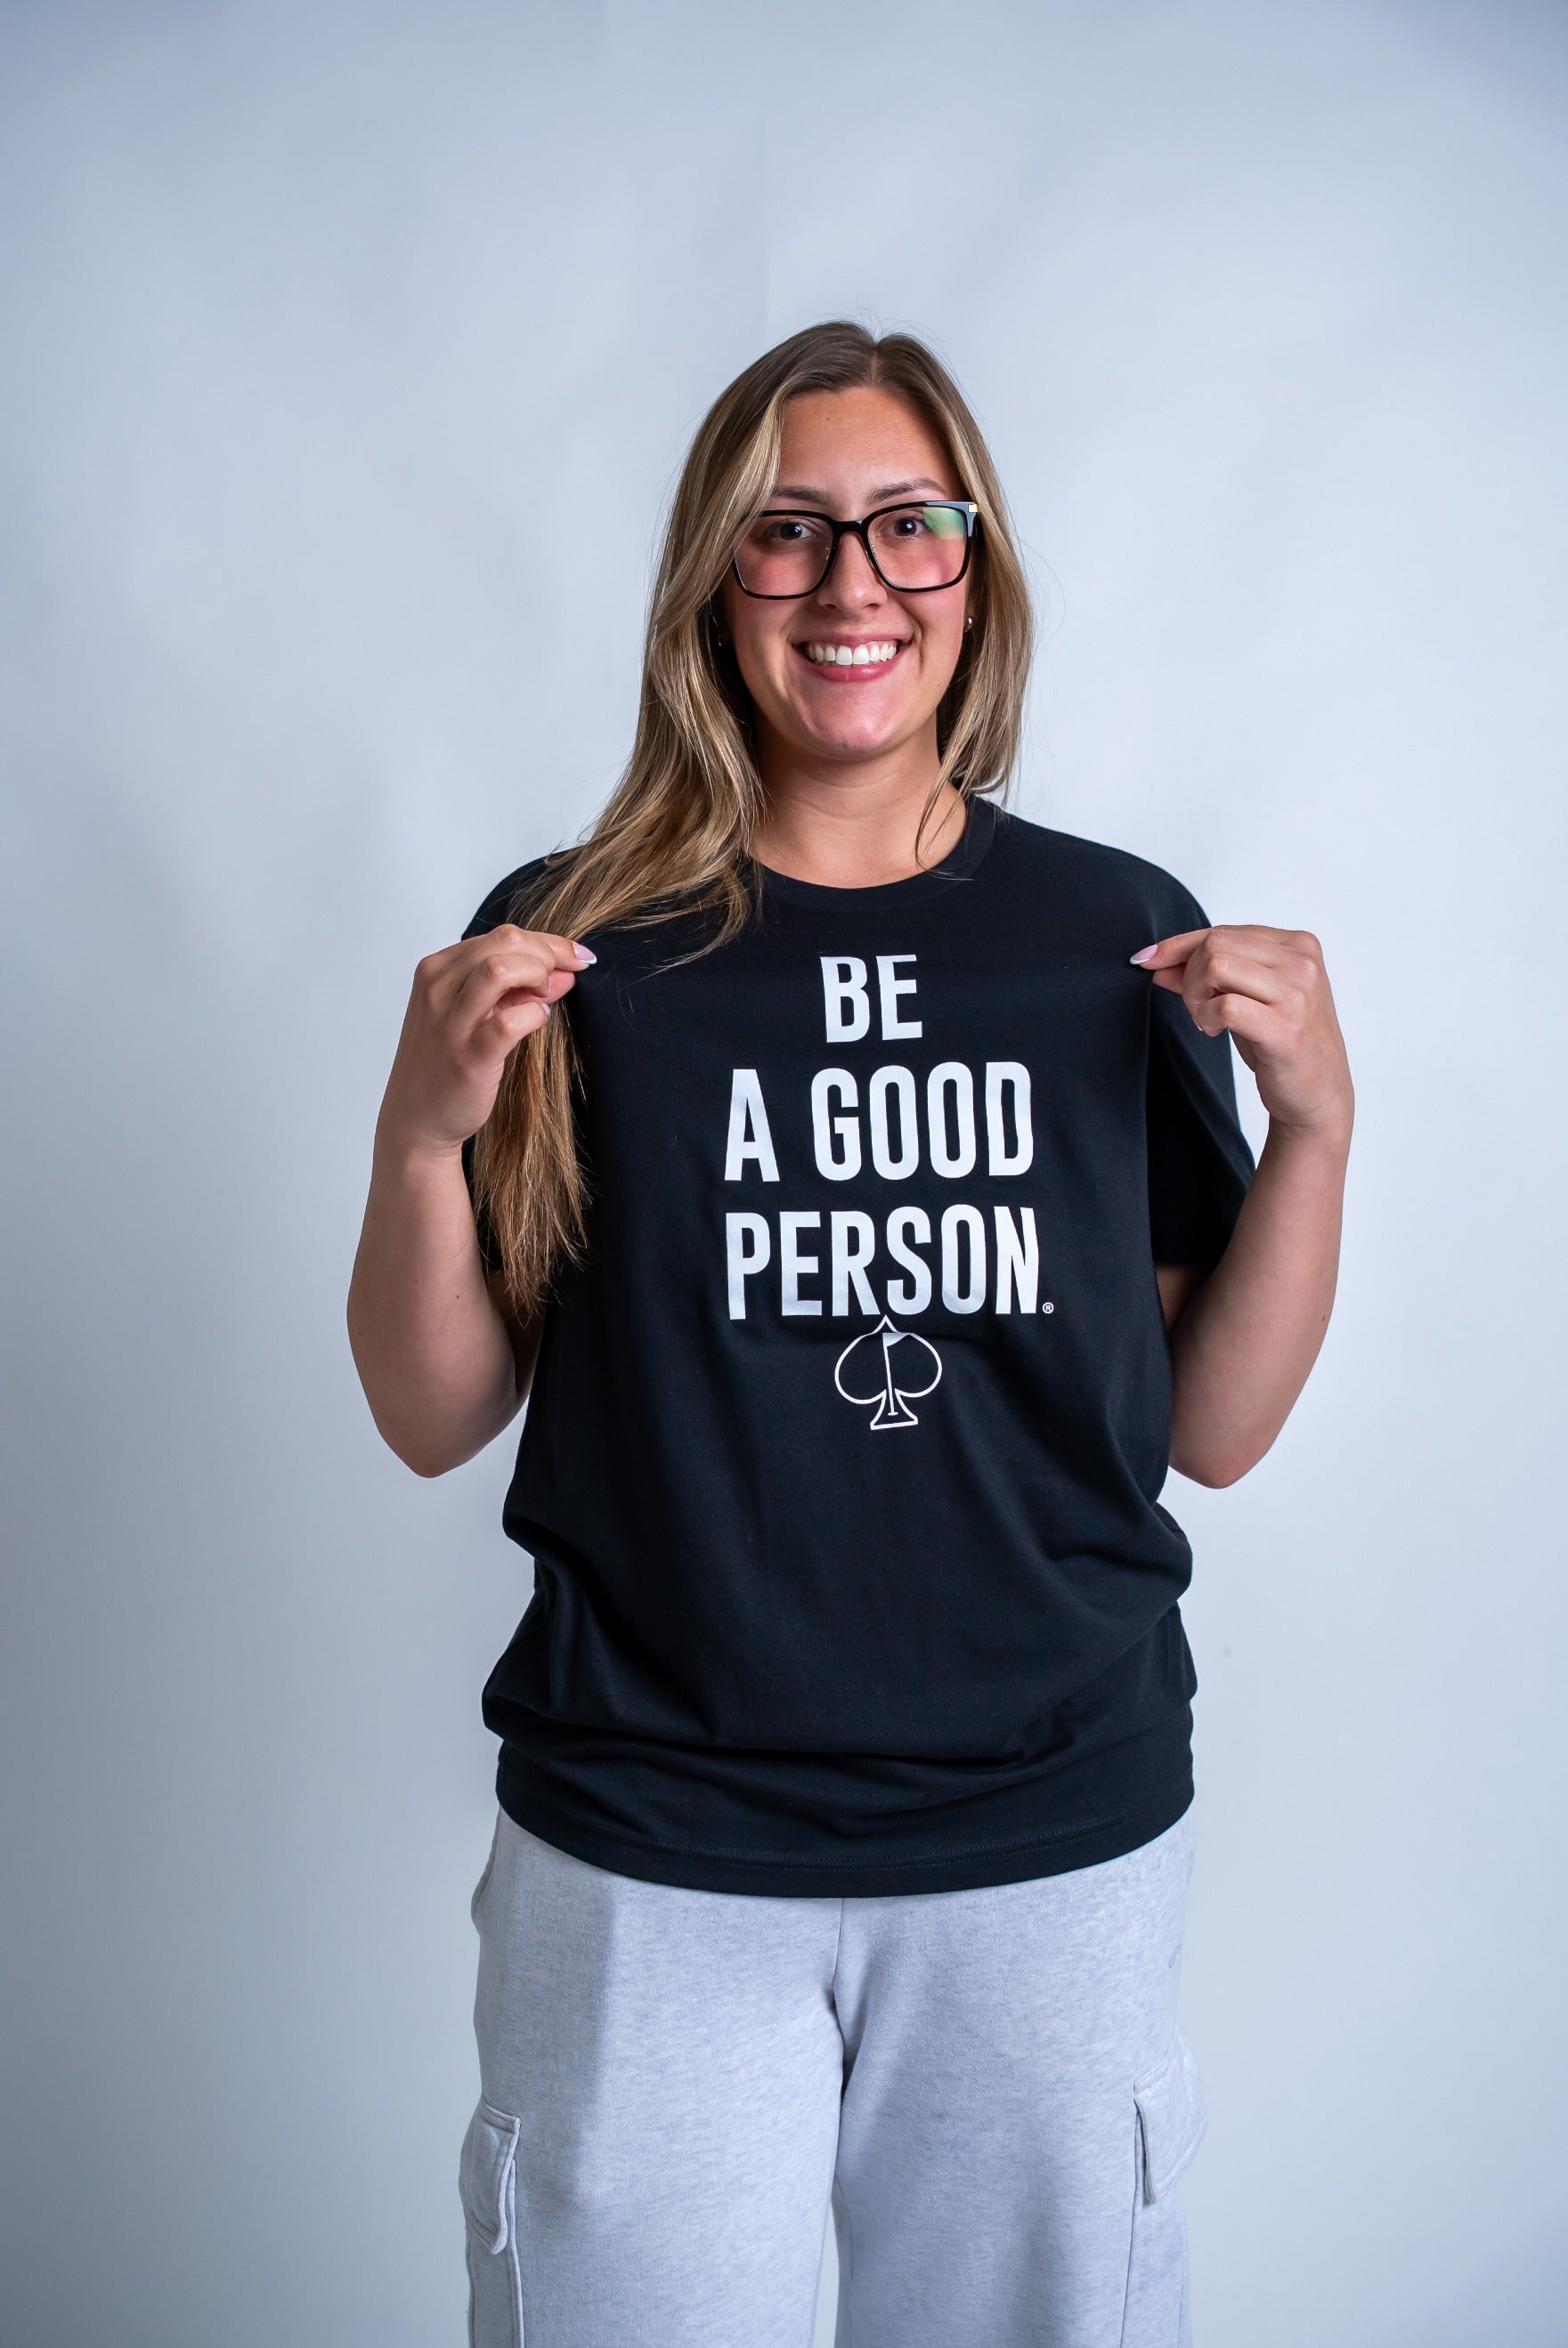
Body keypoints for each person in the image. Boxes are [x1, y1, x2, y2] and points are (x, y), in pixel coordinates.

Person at [347, 321, 1353, 2348]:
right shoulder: (577, 938)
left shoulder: (1106, 938)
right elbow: (434, 1408)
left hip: (1042, 1831)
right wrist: (418, 1125)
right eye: (785, 534)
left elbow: (1213, 1430)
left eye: (909, 524)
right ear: (711, 583)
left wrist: (1317, 1121)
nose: (850, 584)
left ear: (972, 570)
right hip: (646, 1839)